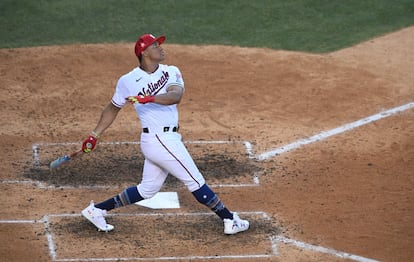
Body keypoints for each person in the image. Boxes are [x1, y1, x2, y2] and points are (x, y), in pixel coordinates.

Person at [80, 33, 249, 235]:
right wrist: (94, 134)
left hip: (166, 139)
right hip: (159, 140)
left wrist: (148, 98)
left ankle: (96, 210)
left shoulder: (171, 72)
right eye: (155, 45)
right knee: (194, 181)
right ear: (143, 53)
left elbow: (175, 96)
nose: (160, 47)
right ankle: (230, 220)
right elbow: (113, 107)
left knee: (147, 189)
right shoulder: (127, 80)